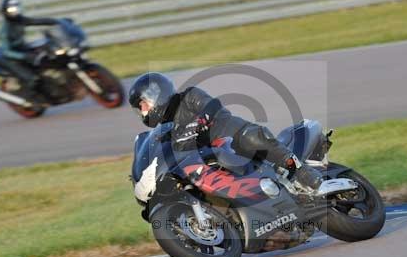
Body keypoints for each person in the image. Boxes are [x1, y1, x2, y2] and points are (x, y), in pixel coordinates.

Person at [128, 72, 324, 191]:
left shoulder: (187, 96)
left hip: (233, 135)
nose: (143, 112)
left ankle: (301, 171)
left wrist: (204, 118)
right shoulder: (166, 131)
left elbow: (212, 105)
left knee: (254, 137)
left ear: (156, 94)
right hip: (211, 158)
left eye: (143, 105)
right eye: (140, 109)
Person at [0, 0, 58, 99]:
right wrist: (24, 56)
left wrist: (58, 21)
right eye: (11, 9)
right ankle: (29, 99)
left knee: (46, 56)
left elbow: (37, 21)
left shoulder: (20, 20)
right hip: (11, 57)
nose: (14, 11)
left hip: (22, 49)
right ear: (5, 11)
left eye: (15, 8)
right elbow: (7, 52)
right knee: (33, 79)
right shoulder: (4, 31)